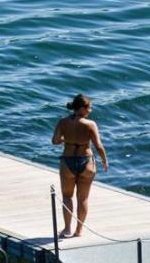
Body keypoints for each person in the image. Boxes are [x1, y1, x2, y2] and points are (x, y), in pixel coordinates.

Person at [52, 93, 108, 238]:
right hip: (86, 161)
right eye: (89, 108)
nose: (90, 110)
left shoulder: (63, 122)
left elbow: (55, 141)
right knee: (83, 199)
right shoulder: (90, 124)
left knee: (67, 197)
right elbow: (98, 145)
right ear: (82, 108)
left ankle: (67, 230)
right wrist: (104, 160)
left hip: (68, 161)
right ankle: (79, 231)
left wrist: (66, 141)